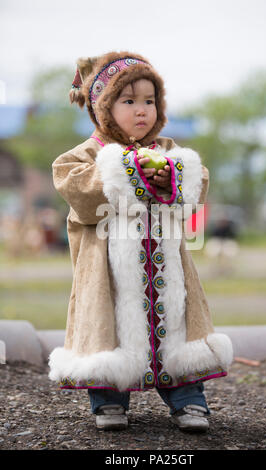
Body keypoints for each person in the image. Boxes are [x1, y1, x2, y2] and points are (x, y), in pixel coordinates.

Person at [48, 51, 233, 432]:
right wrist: (130, 172)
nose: (142, 110)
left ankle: (187, 399)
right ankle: (109, 398)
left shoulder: (164, 152)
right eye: (129, 101)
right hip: (108, 273)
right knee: (108, 330)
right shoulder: (80, 157)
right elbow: (82, 194)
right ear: (102, 108)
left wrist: (172, 178)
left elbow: (195, 188)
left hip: (167, 269)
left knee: (178, 326)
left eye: (149, 100)